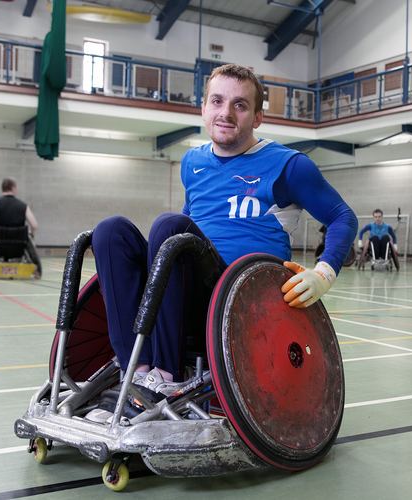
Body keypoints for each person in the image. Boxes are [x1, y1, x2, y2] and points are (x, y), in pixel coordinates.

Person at [91, 64, 357, 400]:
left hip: (241, 297)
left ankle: (167, 375)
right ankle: (136, 370)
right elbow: (191, 221)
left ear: (257, 117)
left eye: (240, 105)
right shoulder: (192, 162)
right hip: (186, 291)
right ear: (203, 109)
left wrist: (324, 273)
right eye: (217, 101)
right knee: (109, 231)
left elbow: (342, 216)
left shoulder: (289, 166)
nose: (226, 113)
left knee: (169, 226)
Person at [0, 177, 42, 278]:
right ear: (13, 188)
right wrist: (31, 234)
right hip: (19, 248)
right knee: (28, 236)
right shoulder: (23, 205)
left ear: (3, 188)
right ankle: (35, 269)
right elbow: (34, 225)